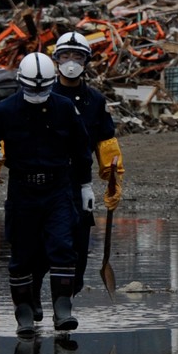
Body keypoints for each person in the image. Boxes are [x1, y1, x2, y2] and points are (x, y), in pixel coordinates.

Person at [0, 52, 94, 336]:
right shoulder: (5, 110)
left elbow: (81, 150)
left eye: (43, 89)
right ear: (21, 83)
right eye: (32, 89)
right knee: (22, 253)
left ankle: (63, 308)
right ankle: (24, 313)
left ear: (53, 83)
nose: (38, 94)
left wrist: (86, 186)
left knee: (63, 247)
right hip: (23, 190)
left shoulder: (65, 108)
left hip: (58, 189)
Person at [50, 31, 123, 301]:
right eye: (65, 56)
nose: (71, 62)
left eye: (77, 56)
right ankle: (36, 300)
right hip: (46, 178)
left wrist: (113, 179)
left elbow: (106, 143)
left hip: (80, 182)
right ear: (56, 60)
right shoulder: (42, 95)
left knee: (79, 246)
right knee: (43, 246)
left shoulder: (95, 101)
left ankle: (68, 298)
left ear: (86, 61)